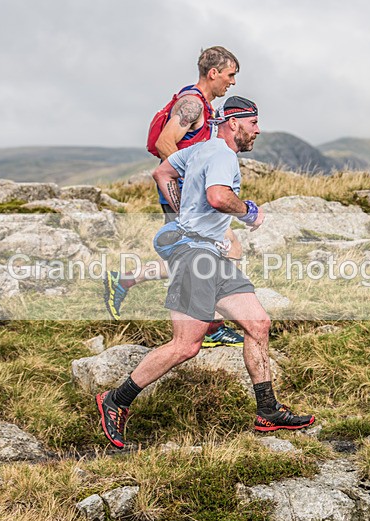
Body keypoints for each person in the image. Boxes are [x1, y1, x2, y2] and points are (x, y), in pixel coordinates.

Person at [96, 97, 315, 449]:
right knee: (186, 346)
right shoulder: (223, 156)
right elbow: (217, 197)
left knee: (258, 324)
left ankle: (267, 410)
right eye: (254, 123)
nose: (258, 130)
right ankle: (115, 401)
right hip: (194, 255)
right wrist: (248, 212)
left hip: (211, 252)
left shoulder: (198, 149)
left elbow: (162, 172)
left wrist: (184, 213)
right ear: (234, 123)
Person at [104, 45, 244, 348]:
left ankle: (127, 280)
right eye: (230, 75)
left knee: (203, 256)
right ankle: (210, 328)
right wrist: (192, 179)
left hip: (190, 196)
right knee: (218, 252)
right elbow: (167, 142)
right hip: (183, 195)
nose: (232, 82)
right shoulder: (192, 104)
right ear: (213, 73)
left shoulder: (204, 106)